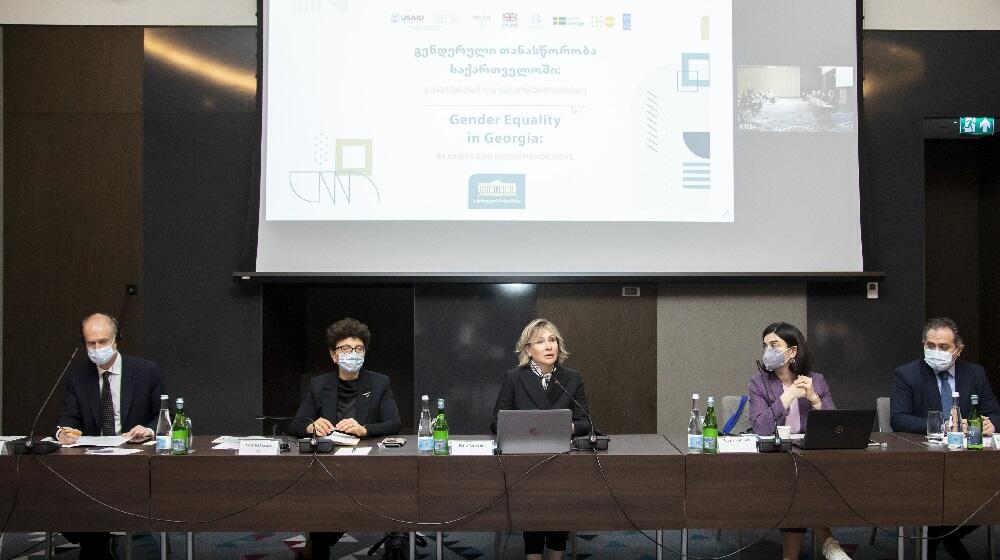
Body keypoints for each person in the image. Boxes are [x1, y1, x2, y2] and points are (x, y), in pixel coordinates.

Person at [55, 312, 167, 559]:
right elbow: (68, 418)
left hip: (135, 458)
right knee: (66, 495)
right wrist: (64, 431)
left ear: (117, 340)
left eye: (103, 342)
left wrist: (148, 429)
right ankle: (95, 544)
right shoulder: (77, 374)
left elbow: (162, 417)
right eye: (90, 344)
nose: (97, 349)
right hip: (91, 463)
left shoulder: (147, 371)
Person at [289, 317, 401, 560]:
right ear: (334, 355)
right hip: (330, 464)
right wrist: (312, 427)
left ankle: (320, 543)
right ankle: (319, 544)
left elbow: (394, 423)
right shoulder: (319, 384)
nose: (353, 353)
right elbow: (296, 424)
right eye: (345, 349)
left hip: (369, 463)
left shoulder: (379, 382)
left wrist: (364, 429)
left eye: (358, 348)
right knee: (328, 500)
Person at [890, 317, 999, 560]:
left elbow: (994, 413)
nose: (936, 352)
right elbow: (899, 419)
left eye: (943, 347)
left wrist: (990, 423)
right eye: (930, 346)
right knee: (933, 492)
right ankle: (937, 539)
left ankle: (946, 534)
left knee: (990, 491)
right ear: (923, 344)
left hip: (970, 461)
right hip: (925, 461)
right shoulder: (907, 374)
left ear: (958, 350)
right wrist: (943, 426)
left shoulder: (975, 374)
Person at [747, 322, 851, 560]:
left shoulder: (817, 380)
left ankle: (791, 556)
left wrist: (815, 399)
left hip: (811, 457)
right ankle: (828, 542)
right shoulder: (758, 383)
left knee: (804, 478)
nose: (768, 351)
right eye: (765, 346)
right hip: (775, 458)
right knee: (800, 479)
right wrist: (787, 397)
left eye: (774, 345)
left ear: (792, 351)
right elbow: (760, 427)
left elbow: (836, 428)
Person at [491, 318, 591, 560]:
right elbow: (496, 422)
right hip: (527, 460)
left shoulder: (571, 378)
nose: (549, 346)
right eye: (540, 341)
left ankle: (556, 554)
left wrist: (565, 427)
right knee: (534, 506)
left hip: (562, 459)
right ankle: (533, 554)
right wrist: (523, 427)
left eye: (552, 340)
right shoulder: (514, 378)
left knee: (561, 505)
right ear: (528, 350)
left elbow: (585, 422)